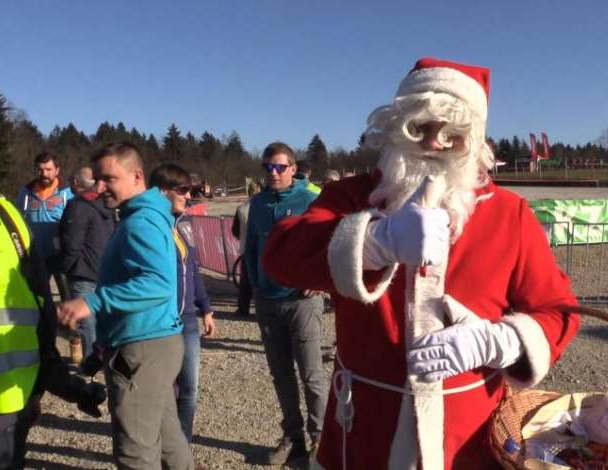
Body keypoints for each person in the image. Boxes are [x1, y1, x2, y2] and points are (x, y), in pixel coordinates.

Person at [262, 57, 580, 469]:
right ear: (396, 129)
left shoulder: (509, 214)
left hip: (468, 437)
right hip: (364, 427)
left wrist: (502, 342)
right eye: (420, 128)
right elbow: (281, 256)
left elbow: (558, 311)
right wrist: (376, 241)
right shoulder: (353, 198)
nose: (434, 143)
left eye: (453, 133)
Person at [56, 142, 192, 470]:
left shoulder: (140, 222)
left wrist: (91, 302)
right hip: (154, 343)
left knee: (135, 453)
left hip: (141, 348)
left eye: (109, 179)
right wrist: (101, 348)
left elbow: (157, 284)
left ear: (136, 176)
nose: (100, 188)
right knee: (167, 438)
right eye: (97, 179)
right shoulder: (144, 216)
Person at [0, 189, 106, 470]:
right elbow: (42, 313)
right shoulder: (4, 212)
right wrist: (60, 386)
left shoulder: (8, 211)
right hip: (10, 404)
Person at [243, 142, 328, 465]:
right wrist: (256, 284)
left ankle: (320, 437)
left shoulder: (311, 200)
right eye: (268, 167)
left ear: (294, 169)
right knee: (281, 374)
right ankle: (293, 437)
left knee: (311, 374)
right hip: (268, 301)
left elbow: (330, 242)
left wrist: (319, 279)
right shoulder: (259, 204)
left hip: (301, 303)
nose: (273, 173)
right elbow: (250, 248)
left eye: (280, 167)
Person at [148, 163, 216, 451]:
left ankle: (181, 450)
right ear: (162, 192)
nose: (189, 196)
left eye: (191, 190)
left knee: (189, 389)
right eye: (184, 190)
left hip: (187, 320)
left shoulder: (184, 223)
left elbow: (193, 269)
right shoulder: (148, 226)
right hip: (160, 324)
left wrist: (206, 308)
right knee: (161, 394)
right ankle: (159, 449)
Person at [59, 166, 115, 364]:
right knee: (102, 319)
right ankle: (104, 358)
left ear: (75, 183)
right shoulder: (105, 205)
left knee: (86, 322)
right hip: (104, 269)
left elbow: (71, 243)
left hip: (82, 271)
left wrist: (64, 267)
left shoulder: (77, 206)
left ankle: (91, 363)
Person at [16, 152, 75, 295]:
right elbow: (17, 217)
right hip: (36, 253)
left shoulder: (67, 192)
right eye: (40, 169)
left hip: (60, 254)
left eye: (48, 169)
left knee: (67, 295)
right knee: (38, 296)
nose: (44, 173)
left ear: (57, 170)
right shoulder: (26, 192)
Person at [231, 181, 260, 317]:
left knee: (245, 282)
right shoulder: (264, 206)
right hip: (261, 249)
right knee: (261, 281)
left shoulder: (241, 208)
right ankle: (261, 310)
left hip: (246, 249)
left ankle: (243, 309)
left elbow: (235, 230)